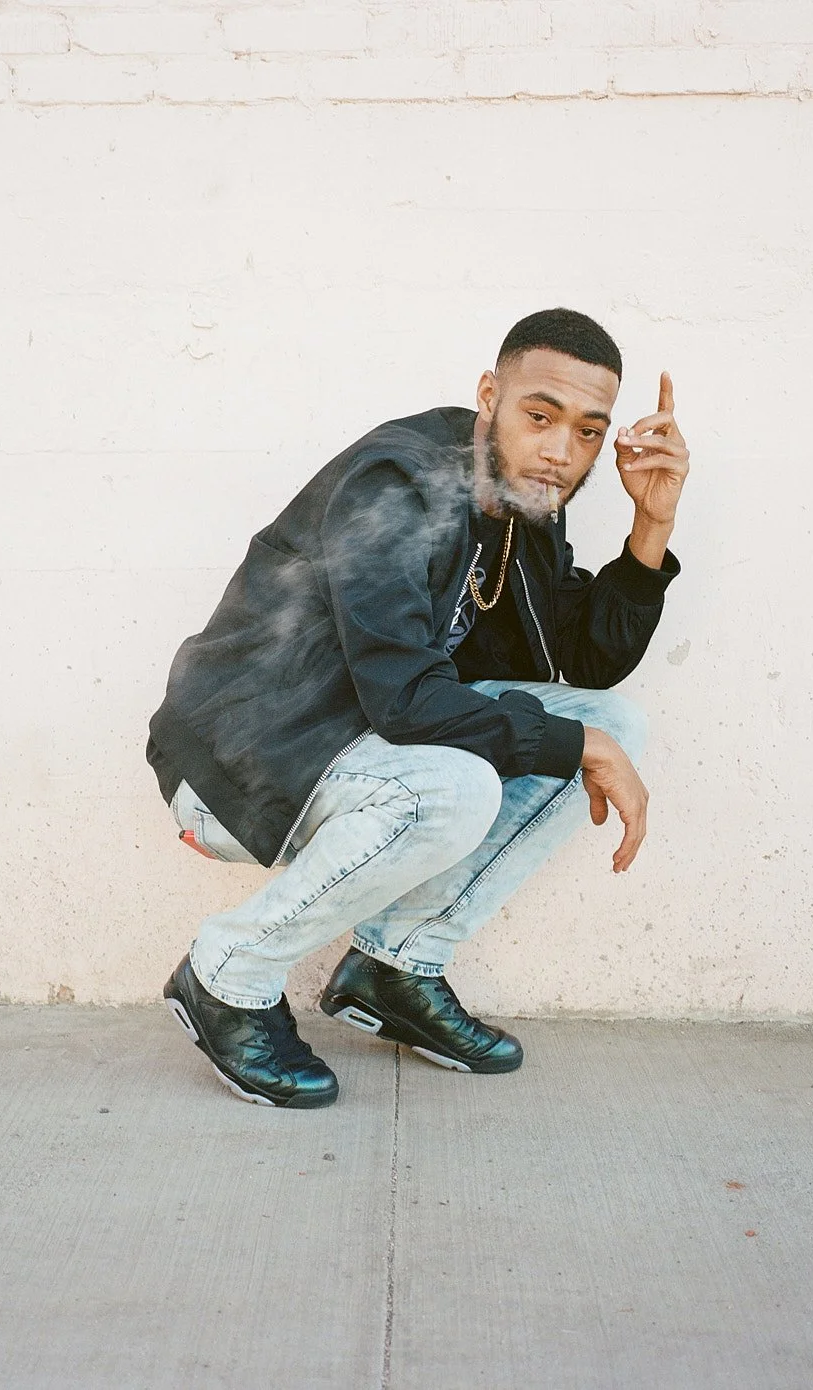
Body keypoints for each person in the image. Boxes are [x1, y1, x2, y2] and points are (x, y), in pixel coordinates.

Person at [146, 308, 691, 1108]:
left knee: (610, 728)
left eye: (586, 433)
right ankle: (229, 972)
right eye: (540, 417)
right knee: (467, 785)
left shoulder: (520, 493)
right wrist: (574, 749)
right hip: (253, 760)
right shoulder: (397, 484)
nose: (559, 451)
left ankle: (396, 966)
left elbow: (589, 661)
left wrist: (653, 521)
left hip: (363, 746)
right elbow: (404, 698)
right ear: (488, 396)